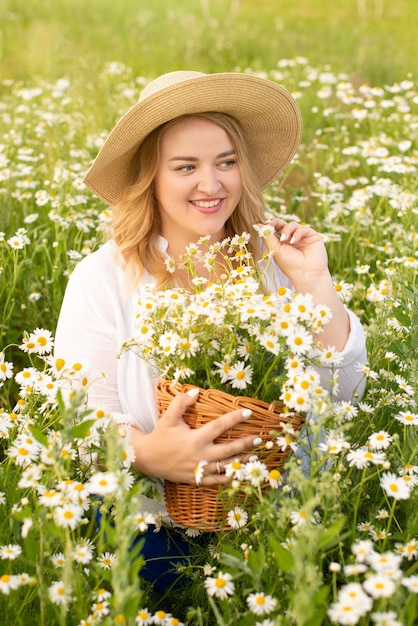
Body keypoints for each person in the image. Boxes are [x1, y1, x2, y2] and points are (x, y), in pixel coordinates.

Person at [55, 70, 367, 595]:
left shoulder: (274, 264)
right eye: (186, 167)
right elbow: (79, 420)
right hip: (154, 522)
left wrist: (314, 282)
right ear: (149, 177)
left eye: (226, 162)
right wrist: (151, 456)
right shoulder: (103, 278)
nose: (211, 184)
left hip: (277, 516)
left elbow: (344, 392)